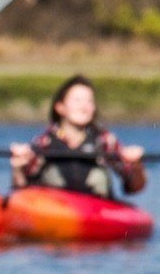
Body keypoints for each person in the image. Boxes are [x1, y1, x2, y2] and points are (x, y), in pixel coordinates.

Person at [9, 74, 146, 198]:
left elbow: (133, 188)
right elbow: (21, 188)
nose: (84, 106)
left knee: (99, 177)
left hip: (97, 212)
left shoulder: (104, 141)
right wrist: (18, 168)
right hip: (53, 211)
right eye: (77, 100)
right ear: (60, 107)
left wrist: (136, 166)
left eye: (89, 101)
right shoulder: (45, 142)